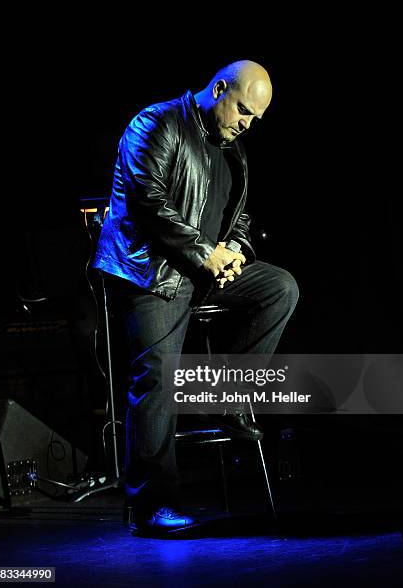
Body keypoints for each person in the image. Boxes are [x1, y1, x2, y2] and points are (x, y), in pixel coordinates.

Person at [93, 60, 299, 535]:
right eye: (243, 111)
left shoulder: (233, 150)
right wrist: (206, 254)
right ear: (219, 88)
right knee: (157, 378)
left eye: (255, 120)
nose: (247, 124)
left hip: (202, 270)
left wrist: (236, 253)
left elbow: (239, 216)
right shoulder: (157, 122)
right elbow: (146, 201)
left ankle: (228, 397)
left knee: (279, 287)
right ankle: (153, 506)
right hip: (153, 273)